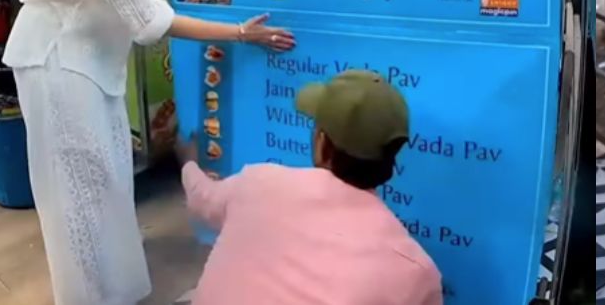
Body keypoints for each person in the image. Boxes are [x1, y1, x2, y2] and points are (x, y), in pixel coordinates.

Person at [3, 0, 296, 305]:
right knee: (79, 198)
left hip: (87, 63)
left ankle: (118, 289)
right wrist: (240, 34)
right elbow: (147, 22)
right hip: (60, 66)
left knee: (108, 183)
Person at [179, 69, 442, 304]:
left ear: (322, 143)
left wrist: (188, 162)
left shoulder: (256, 182)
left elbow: (202, 198)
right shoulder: (416, 272)